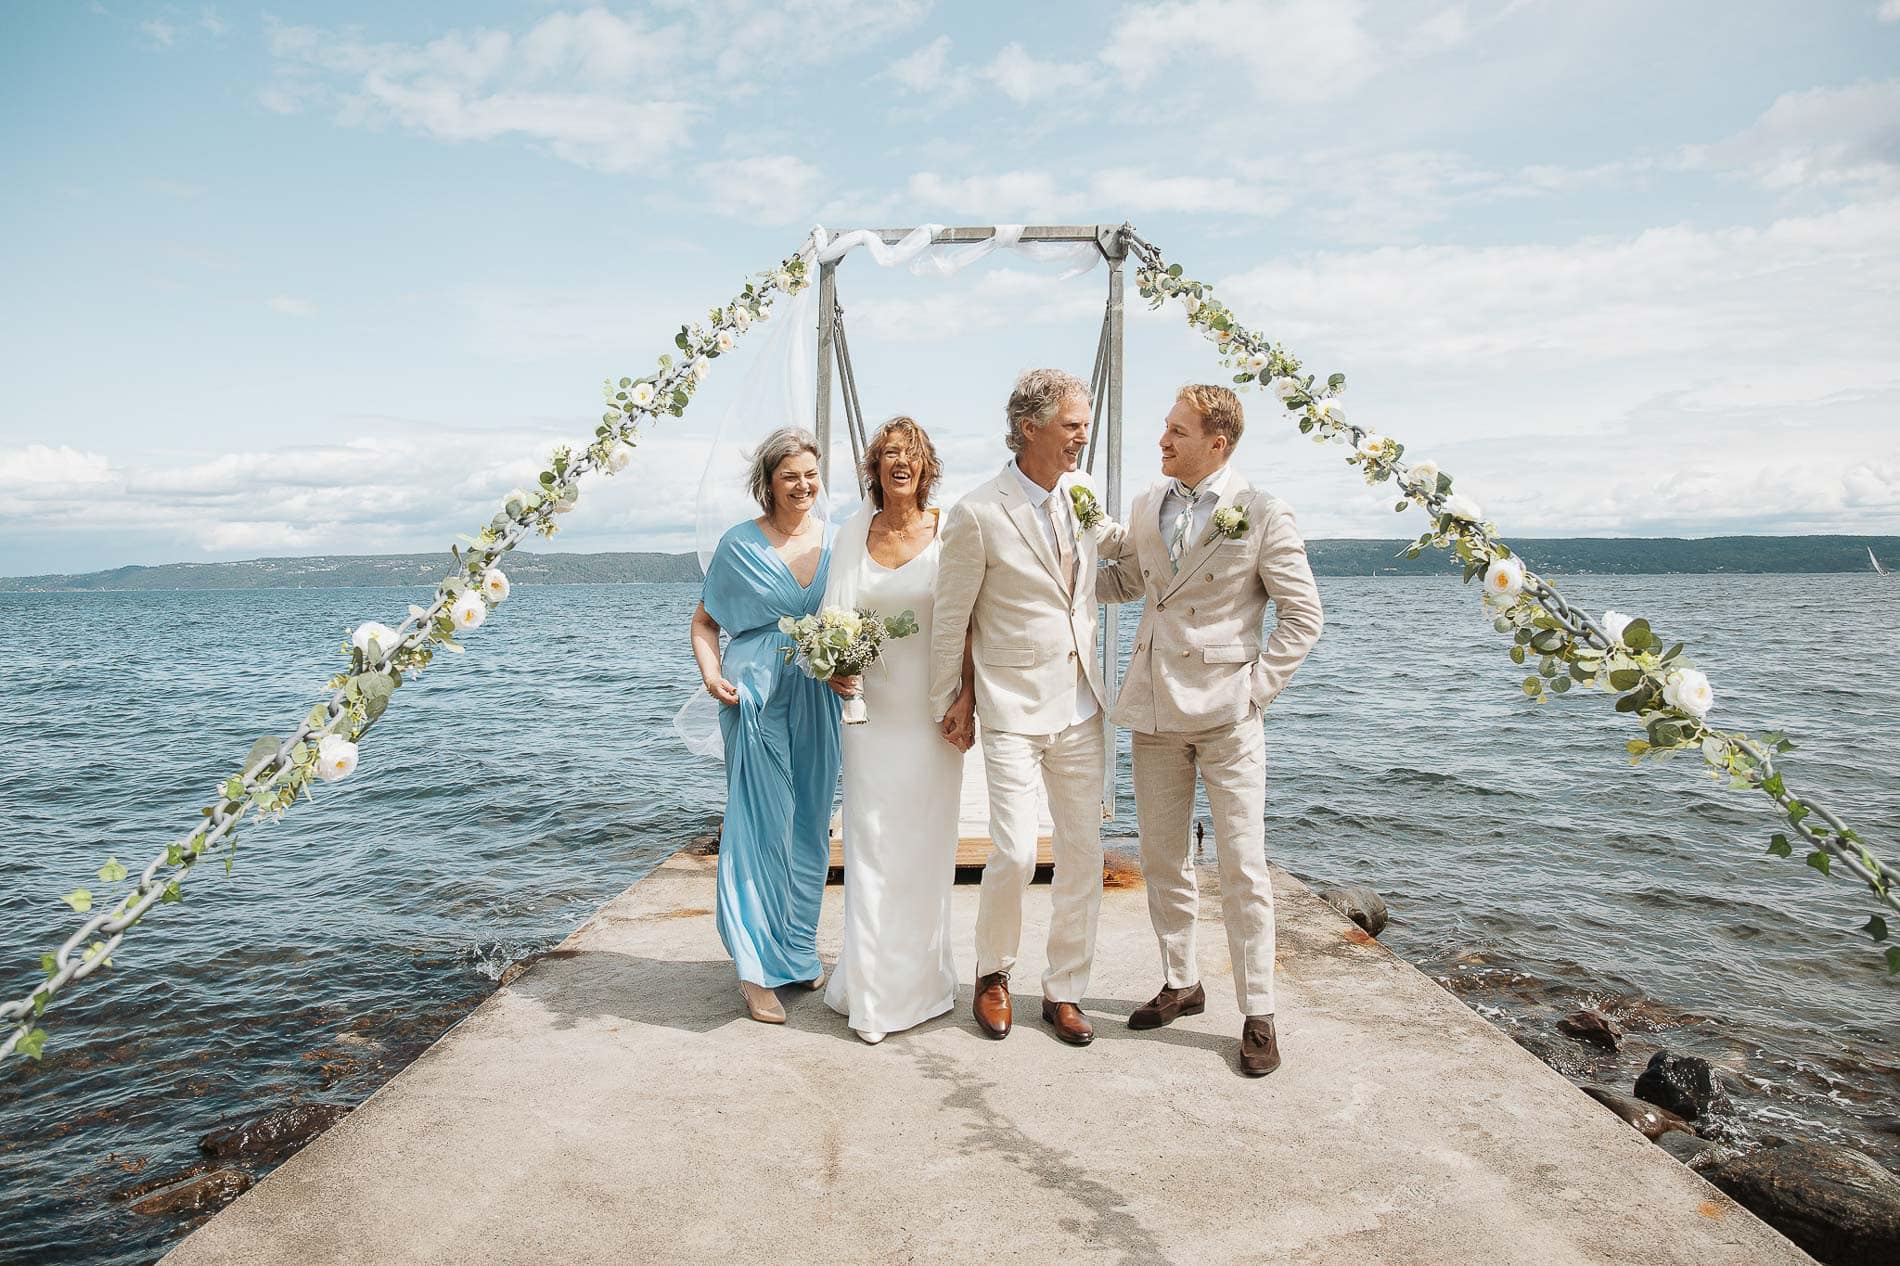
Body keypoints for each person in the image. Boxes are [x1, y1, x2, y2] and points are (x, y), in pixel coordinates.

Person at [1097, 384, 1324, 1076]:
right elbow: (1125, 584)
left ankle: (1259, 1011)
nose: (1162, 442)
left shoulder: (1261, 512)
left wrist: (1253, 692)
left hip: (1228, 716)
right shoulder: (1146, 506)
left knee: (1242, 866)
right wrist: (1061, 560)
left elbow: (1302, 617)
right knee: (1163, 858)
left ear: (1217, 442)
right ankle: (1181, 982)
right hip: (1153, 709)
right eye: (1164, 429)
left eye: (1177, 432)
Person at [929, 368, 1113, 1048]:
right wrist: (951, 700)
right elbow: (952, 618)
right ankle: (993, 973)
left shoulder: (1086, 494)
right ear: (1030, 427)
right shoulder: (978, 511)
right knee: (1012, 851)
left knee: (1084, 852)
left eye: (1085, 425)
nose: (1081, 438)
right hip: (1008, 703)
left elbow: (1100, 580)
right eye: (1072, 425)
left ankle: (1064, 989)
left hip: (1081, 703)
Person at [821, 417, 973, 1045]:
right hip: (871, 716)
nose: (898, 464)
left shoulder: (951, 531)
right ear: (875, 468)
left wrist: (966, 698)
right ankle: (875, 992)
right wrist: (833, 666)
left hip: (933, 714)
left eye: (909, 455)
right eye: (887, 455)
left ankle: (921, 981)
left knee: (926, 847)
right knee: (872, 845)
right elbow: (834, 617)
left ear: (926, 465)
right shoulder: (854, 533)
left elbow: (971, 621)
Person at [689, 427, 842, 1024]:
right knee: (757, 822)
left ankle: (797, 949)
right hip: (754, 695)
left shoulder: (837, 542)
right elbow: (705, 623)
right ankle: (755, 969)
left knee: (809, 822)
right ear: (769, 483)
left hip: (819, 692)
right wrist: (709, 676)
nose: (802, 486)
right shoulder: (739, 545)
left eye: (810, 474)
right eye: (789, 476)